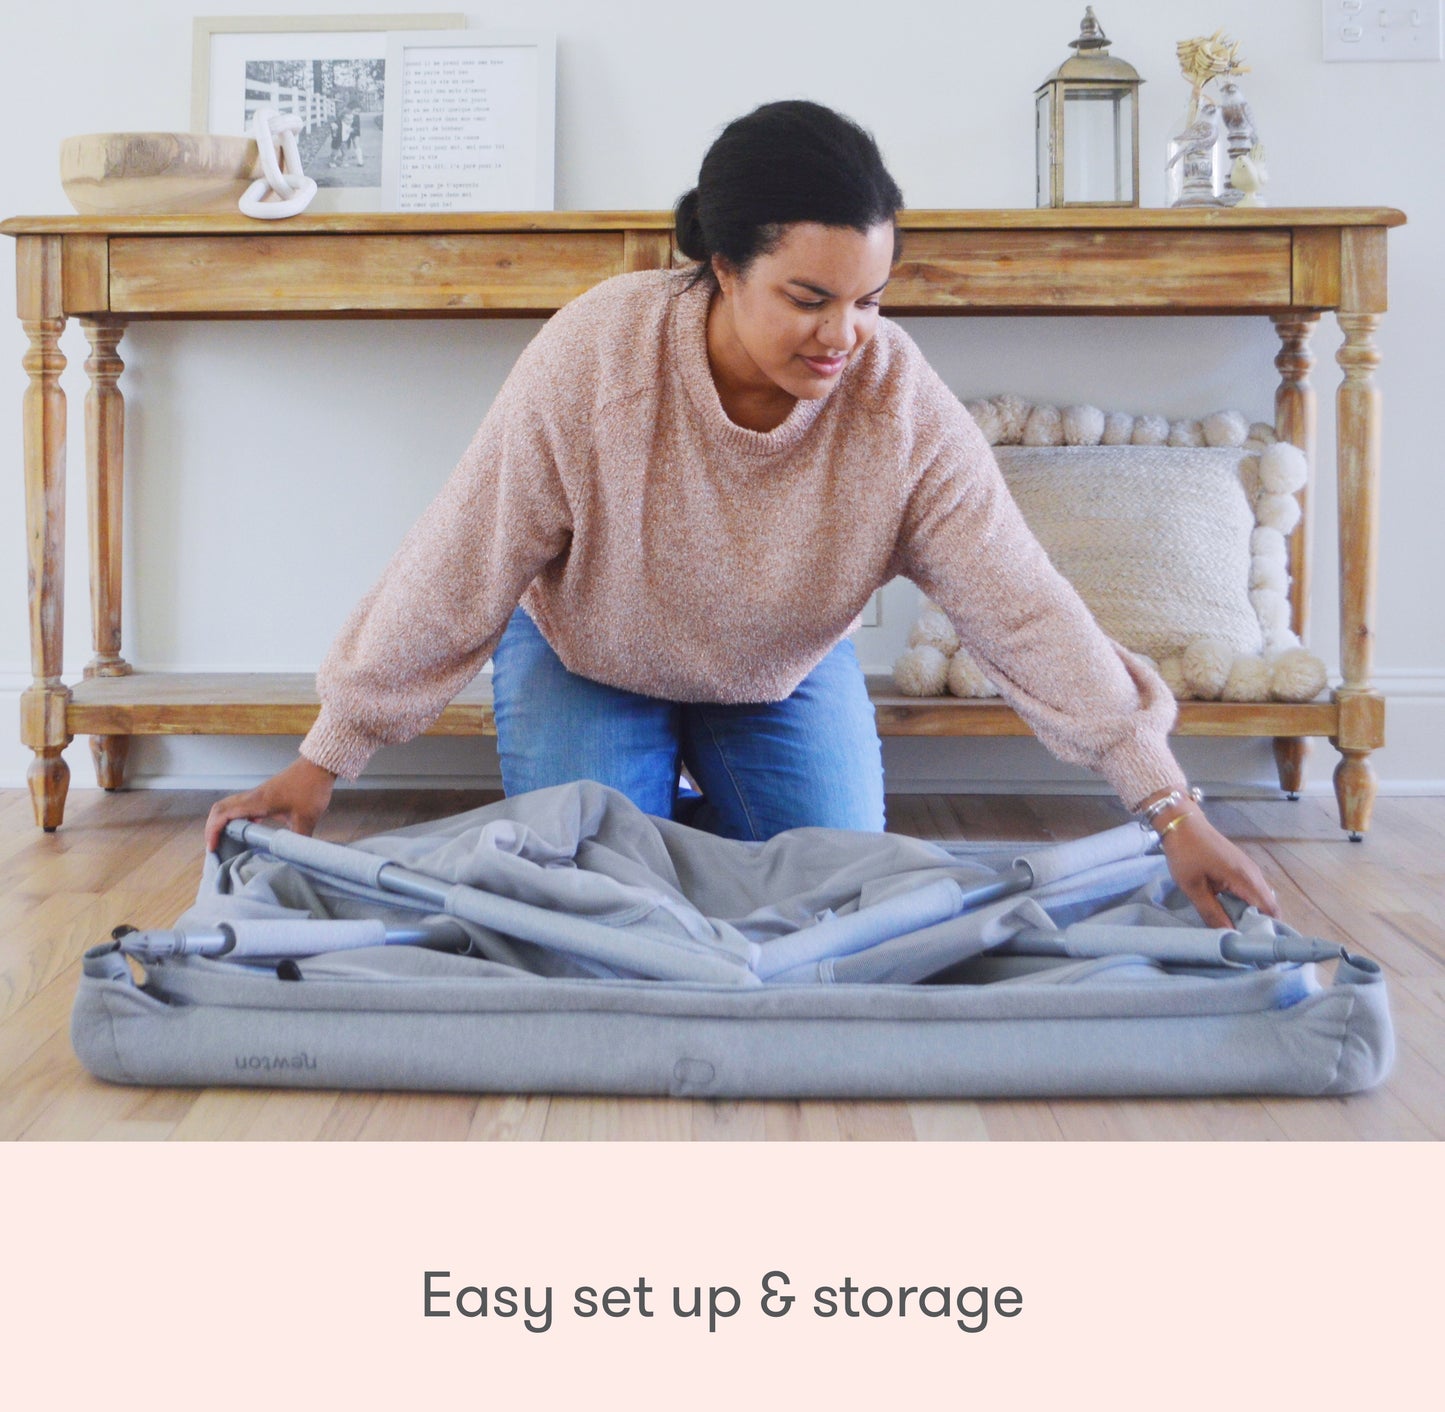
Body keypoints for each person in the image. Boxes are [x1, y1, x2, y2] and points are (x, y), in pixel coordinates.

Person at [205, 100, 1277, 930]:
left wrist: (1168, 806)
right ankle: (661, 810)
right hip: (589, 654)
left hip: (778, 666)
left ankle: (694, 812)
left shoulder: (897, 406)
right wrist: (323, 759)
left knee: (839, 900)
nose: (844, 334)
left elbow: (1022, 607)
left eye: (867, 299)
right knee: (597, 906)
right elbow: (459, 559)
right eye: (808, 299)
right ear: (722, 269)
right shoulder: (595, 357)